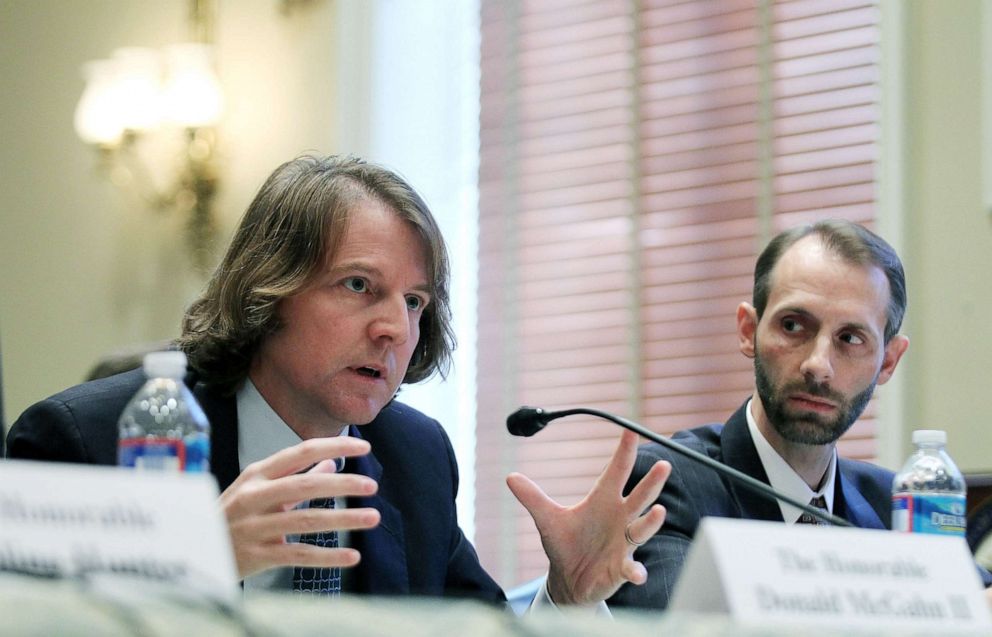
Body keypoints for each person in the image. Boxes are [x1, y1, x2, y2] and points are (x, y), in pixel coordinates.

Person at [6, 154, 669, 605]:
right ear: (268, 292)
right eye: (360, 285)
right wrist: (194, 558)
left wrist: (563, 594)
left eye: (414, 301)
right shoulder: (84, 440)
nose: (395, 329)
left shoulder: (415, 457)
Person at [598, 219, 992, 610]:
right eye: (793, 325)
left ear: (888, 361)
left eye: (850, 338)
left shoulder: (896, 507)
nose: (818, 365)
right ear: (748, 331)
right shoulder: (666, 483)